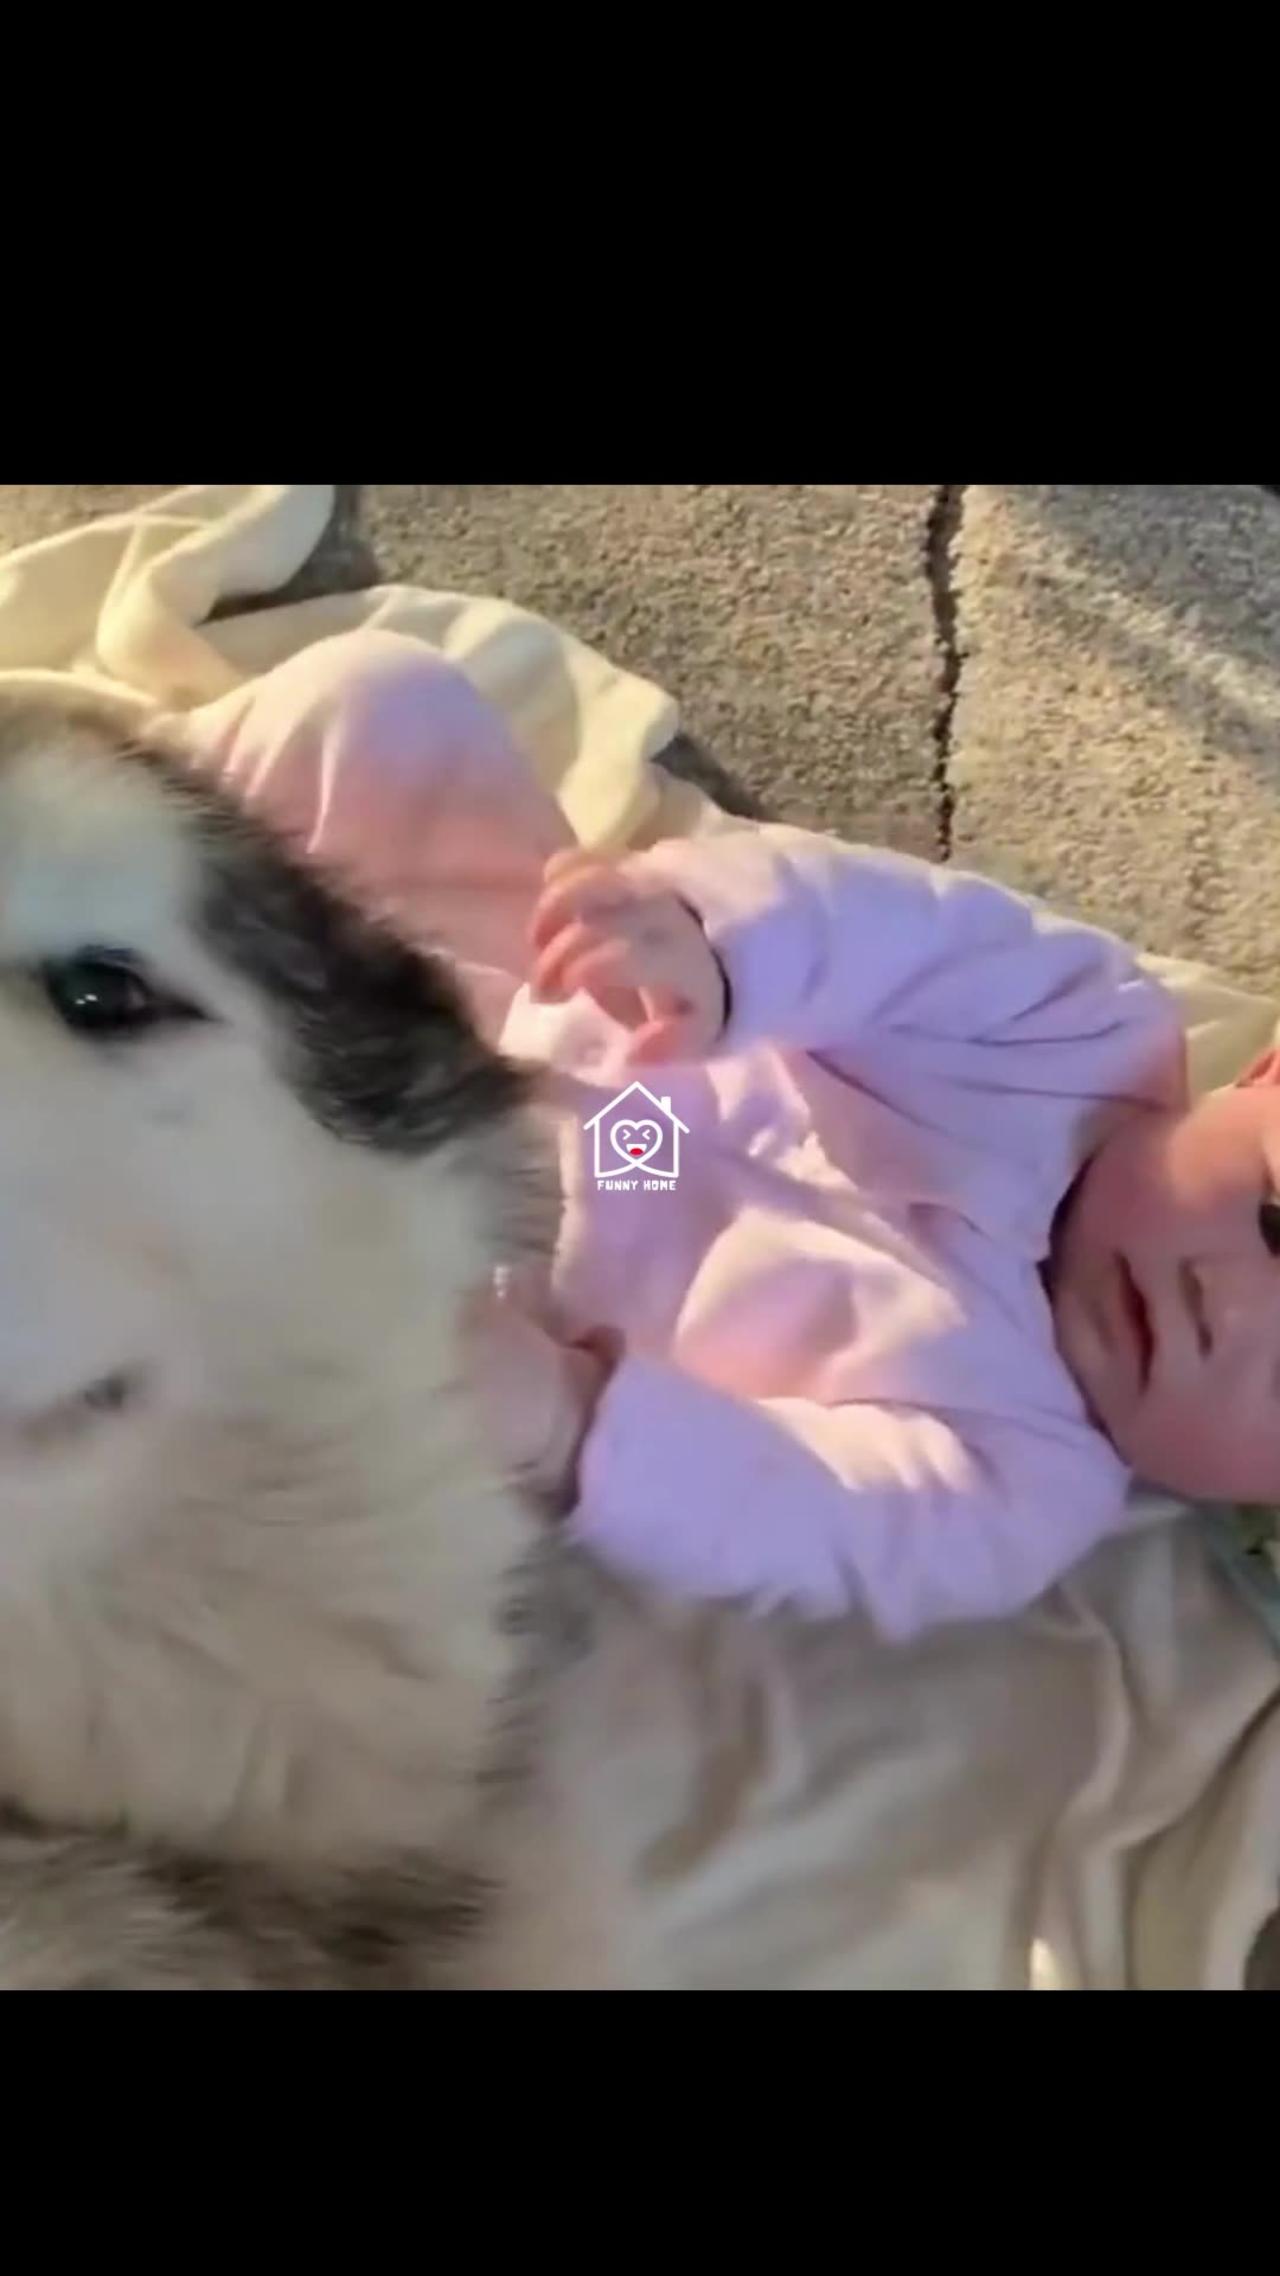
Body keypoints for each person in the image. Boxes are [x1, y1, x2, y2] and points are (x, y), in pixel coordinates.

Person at [177, 628, 1280, 1639]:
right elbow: (886, 929)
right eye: (1271, 1219)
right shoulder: (1082, 1020)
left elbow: (799, 1499)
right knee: (381, 704)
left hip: (496, 1267)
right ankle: (91, 851)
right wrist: (706, 944)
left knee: (313, 1390)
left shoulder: (1016, 1491)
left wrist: (566, 1424)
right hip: (577, 1012)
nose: (1222, 1308)